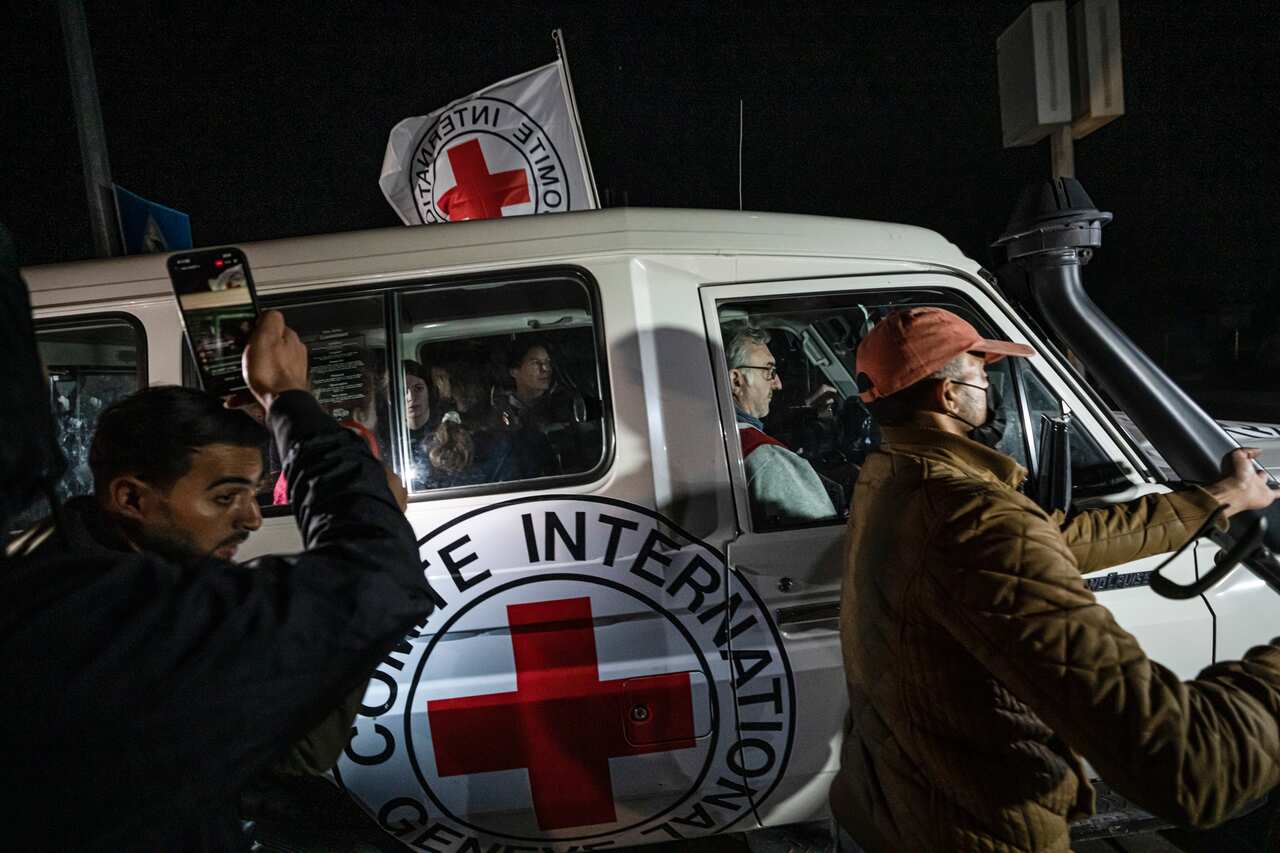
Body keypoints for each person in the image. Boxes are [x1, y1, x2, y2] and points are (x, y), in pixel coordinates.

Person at [830, 306, 1280, 853]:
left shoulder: (893, 480)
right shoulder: (971, 516)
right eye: (981, 374)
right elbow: (1189, 768)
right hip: (975, 831)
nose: (989, 389)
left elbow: (1049, 538)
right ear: (948, 396)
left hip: (892, 805)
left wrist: (1215, 500)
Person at [1, 290, 433, 851]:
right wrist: (289, 399)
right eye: (225, 497)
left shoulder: (54, 563)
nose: (251, 519)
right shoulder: (119, 616)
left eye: (253, 494)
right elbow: (375, 591)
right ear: (130, 498)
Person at [725, 325, 836, 526]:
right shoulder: (764, 457)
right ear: (736, 381)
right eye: (769, 371)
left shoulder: (707, 437)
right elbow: (823, 535)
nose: (778, 384)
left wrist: (807, 406)